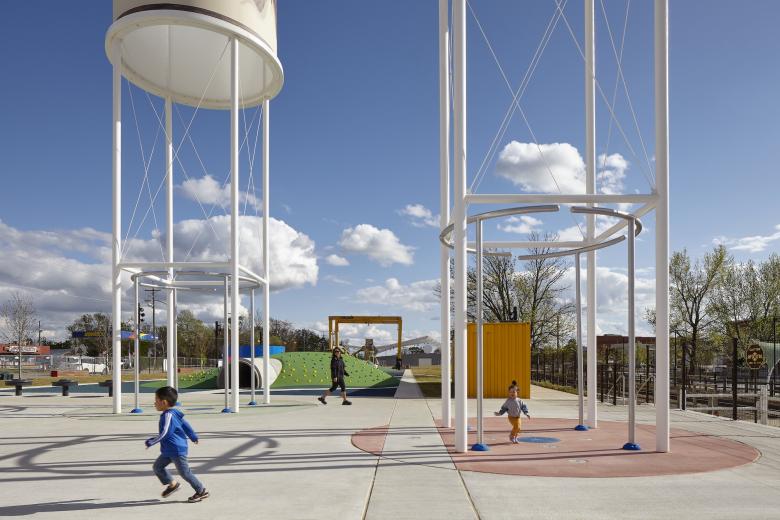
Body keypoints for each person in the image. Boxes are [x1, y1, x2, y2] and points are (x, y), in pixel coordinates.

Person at [145, 386, 209, 502]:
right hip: (168, 450)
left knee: (185, 473)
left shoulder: (168, 415)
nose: (154, 403)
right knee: (158, 467)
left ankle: (201, 491)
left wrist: (152, 441)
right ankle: (173, 484)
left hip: (177, 450)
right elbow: (185, 424)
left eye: (156, 400)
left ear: (164, 402)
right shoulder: (174, 413)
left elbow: (166, 433)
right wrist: (193, 436)